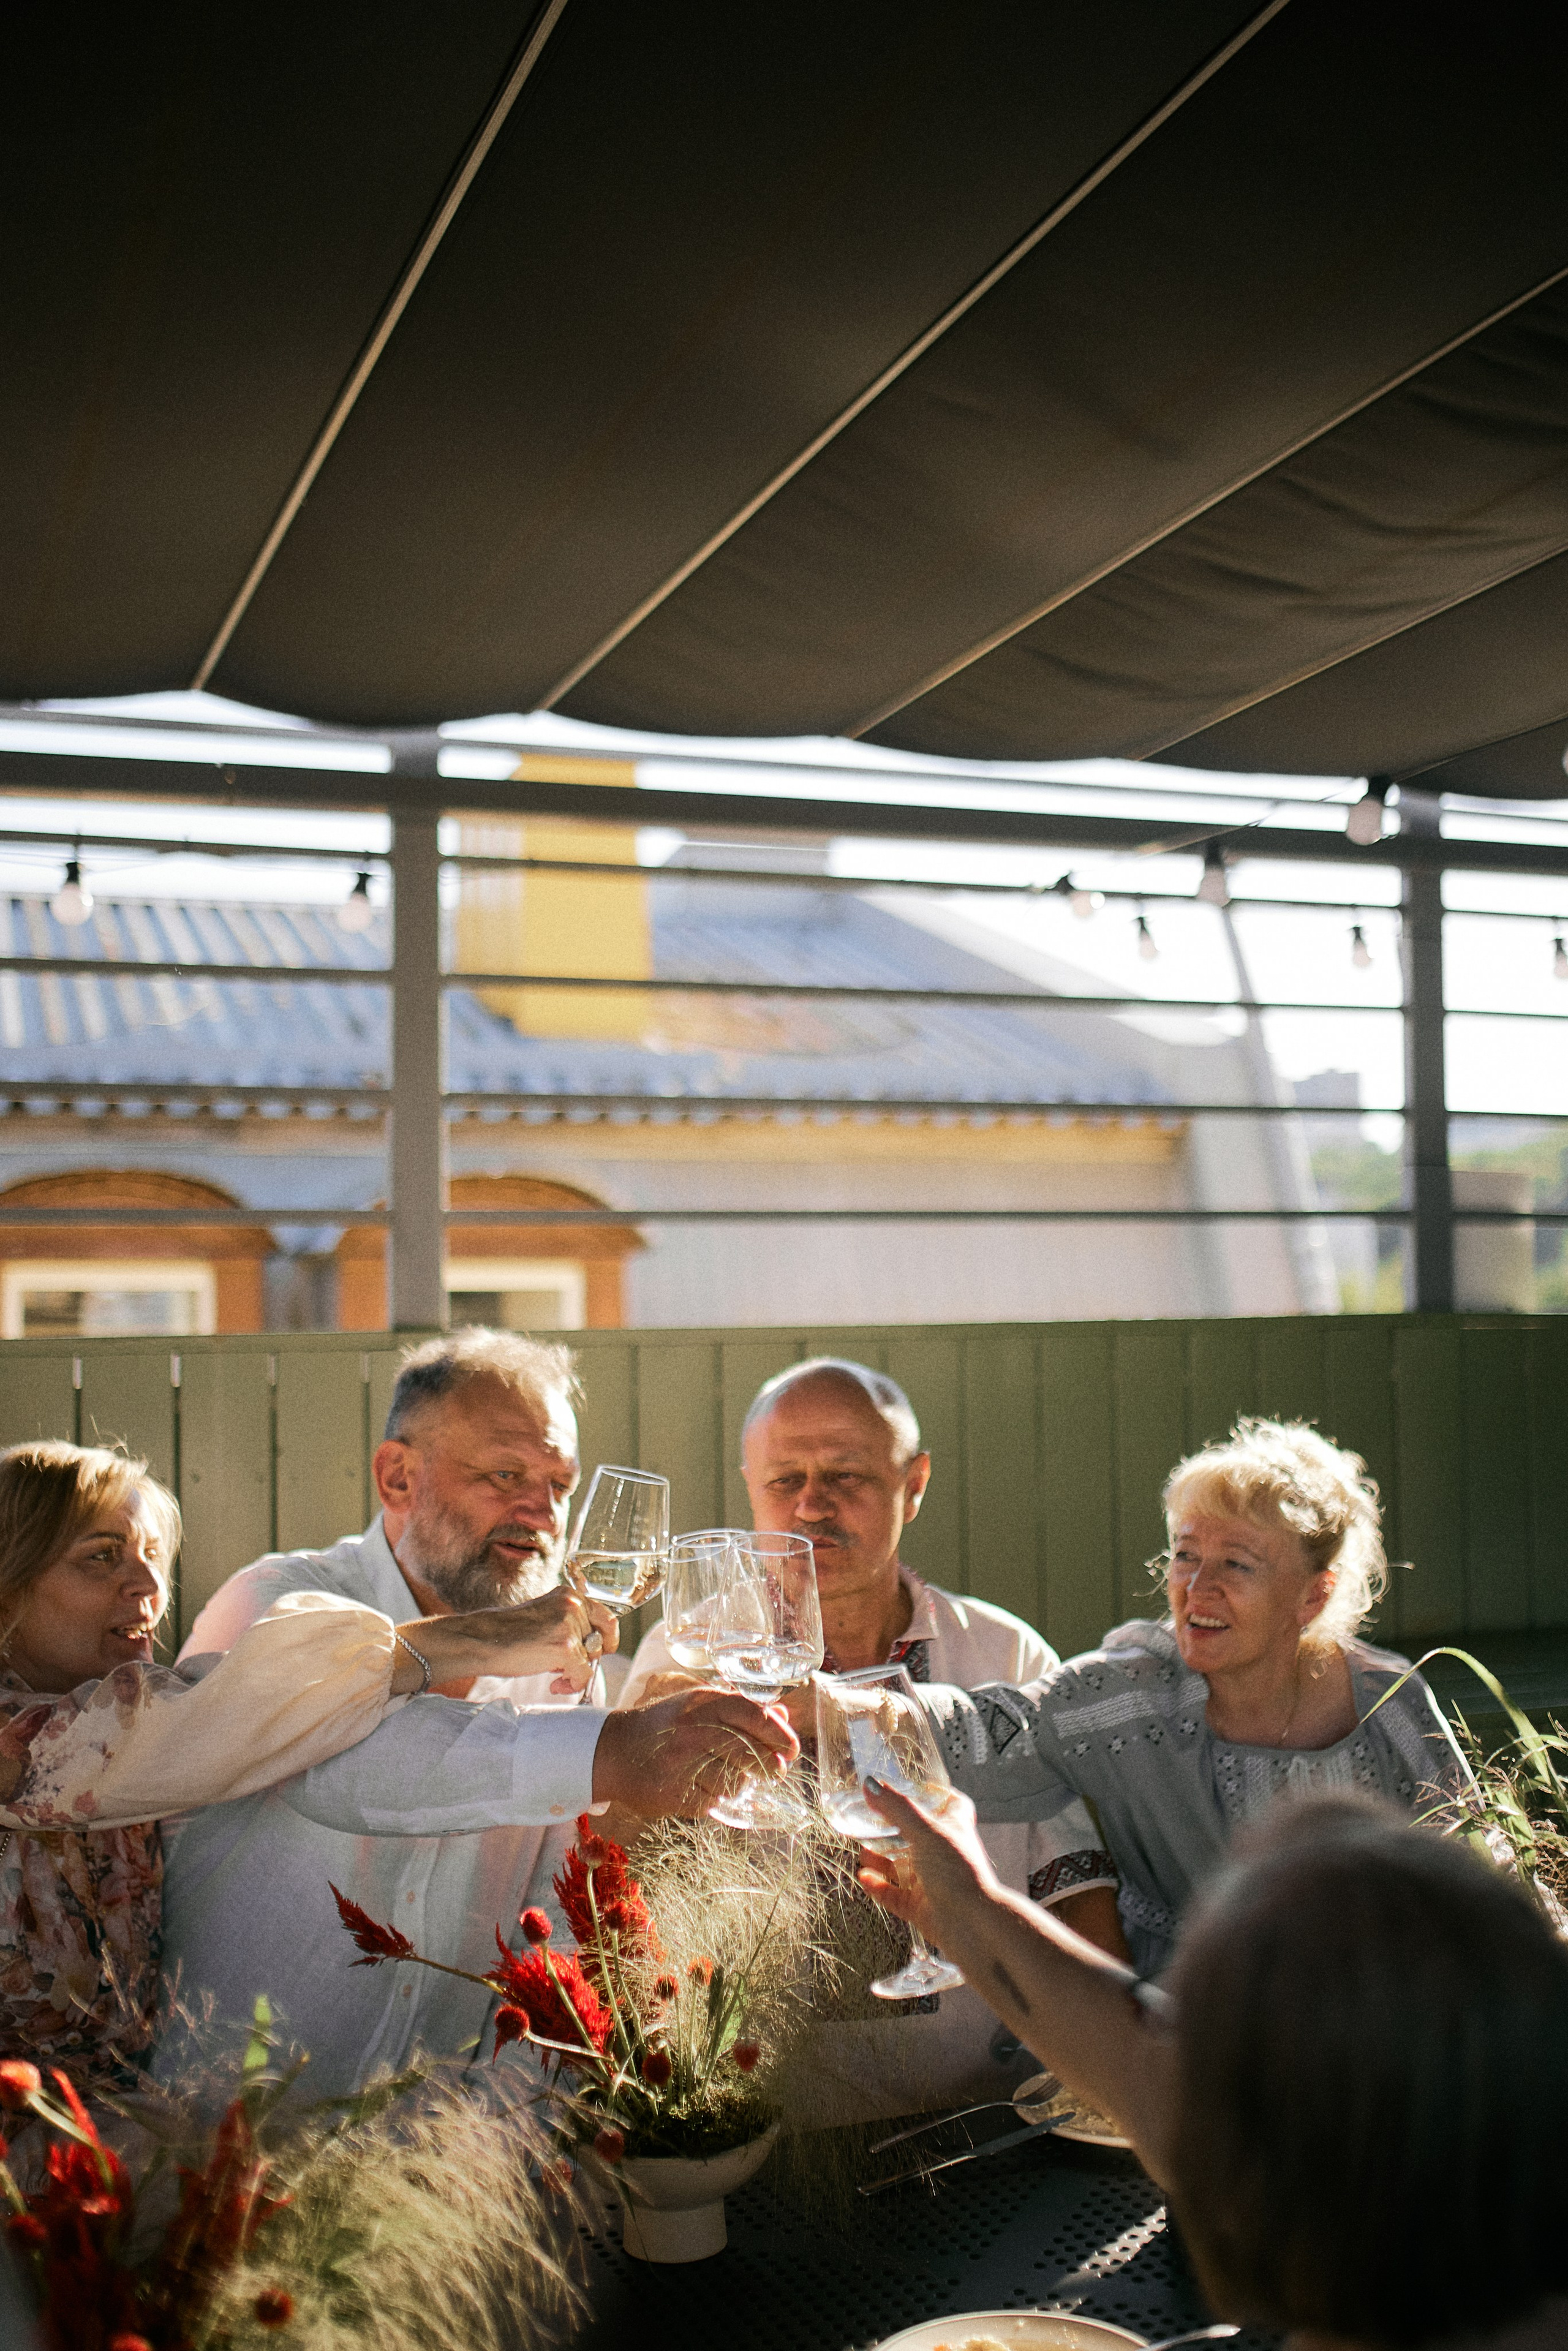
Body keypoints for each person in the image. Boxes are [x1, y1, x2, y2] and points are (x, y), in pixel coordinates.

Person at [156, 1329, 796, 2100]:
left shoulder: (564, 1674)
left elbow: (553, 1924)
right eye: (505, 1474)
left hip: (428, 2173)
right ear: (397, 1477)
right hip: (214, 2146)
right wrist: (617, 1749)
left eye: (560, 1486)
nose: (541, 1511)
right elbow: (350, 1766)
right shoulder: (273, 1604)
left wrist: (505, 2145)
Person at [858, 1783, 1568, 2350]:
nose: (1165, 2072)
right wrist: (964, 1907)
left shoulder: (1277, 2170)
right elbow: (1124, 2049)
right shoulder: (1427, 2159)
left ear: (1248, 2186)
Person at [0, 1438, 604, 2090]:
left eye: (152, 1555)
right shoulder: (46, 1745)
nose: (148, 1585)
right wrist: (492, 1641)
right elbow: (243, 1704)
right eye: (101, 1557)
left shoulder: (161, 1734)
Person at [617, 1356, 1121, 2113]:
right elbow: (619, 1883)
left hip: (981, 2114)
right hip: (760, 2129)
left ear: (913, 1485)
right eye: (785, 1480)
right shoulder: (685, 1656)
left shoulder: (1002, 1653)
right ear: (751, 1489)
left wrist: (1099, 2082)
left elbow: (1080, 1896)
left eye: (846, 1476)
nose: (812, 1505)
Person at [912, 1417, 1469, 1977]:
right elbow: (972, 1728)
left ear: (1312, 1596)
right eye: (1186, 1555)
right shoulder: (1130, 1696)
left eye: (1237, 1563)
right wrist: (841, 1704)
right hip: (1184, 2031)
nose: (1197, 1588)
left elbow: (1476, 1871)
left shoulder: (1388, 1703)